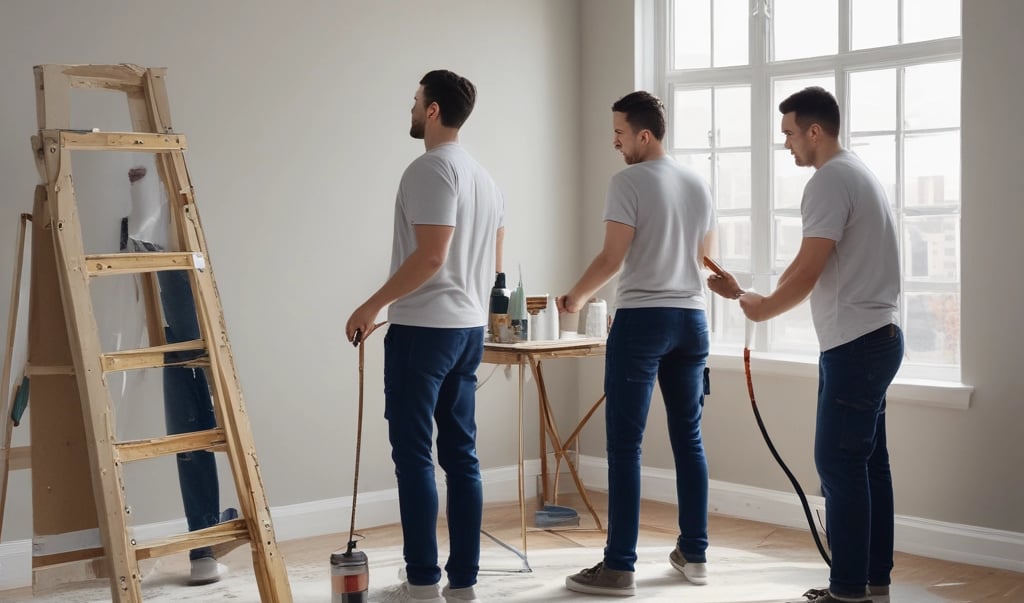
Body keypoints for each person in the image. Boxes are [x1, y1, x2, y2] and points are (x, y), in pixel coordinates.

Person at [706, 86, 904, 603]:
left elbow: (812, 268)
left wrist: (765, 309)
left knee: (838, 463)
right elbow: (808, 259)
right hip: (878, 338)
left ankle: (847, 591)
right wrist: (753, 297)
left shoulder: (828, 180)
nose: (787, 145)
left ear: (815, 131)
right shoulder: (856, 174)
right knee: (866, 464)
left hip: (856, 345)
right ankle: (870, 582)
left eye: (790, 134)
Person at [345, 69, 504, 603]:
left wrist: (372, 305)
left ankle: (420, 584)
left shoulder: (430, 169)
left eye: (415, 101)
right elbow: (493, 263)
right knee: (461, 457)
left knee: (414, 456)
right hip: (468, 331)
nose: (411, 109)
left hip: (424, 335)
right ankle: (462, 584)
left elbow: (432, 256)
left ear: (433, 110)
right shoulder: (485, 178)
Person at [560, 91, 716, 597]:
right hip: (692, 321)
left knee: (625, 446)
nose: (615, 141)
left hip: (644, 320)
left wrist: (576, 297)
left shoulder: (627, 182)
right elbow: (704, 259)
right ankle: (695, 554)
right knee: (688, 439)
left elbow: (611, 258)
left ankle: (619, 566)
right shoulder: (698, 184)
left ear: (643, 135)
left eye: (620, 133)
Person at [126, 164, 238, 585]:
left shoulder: (157, 218)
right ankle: (205, 541)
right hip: (179, 332)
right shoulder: (163, 213)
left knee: (193, 426)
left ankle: (205, 541)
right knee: (196, 425)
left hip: (169, 333)